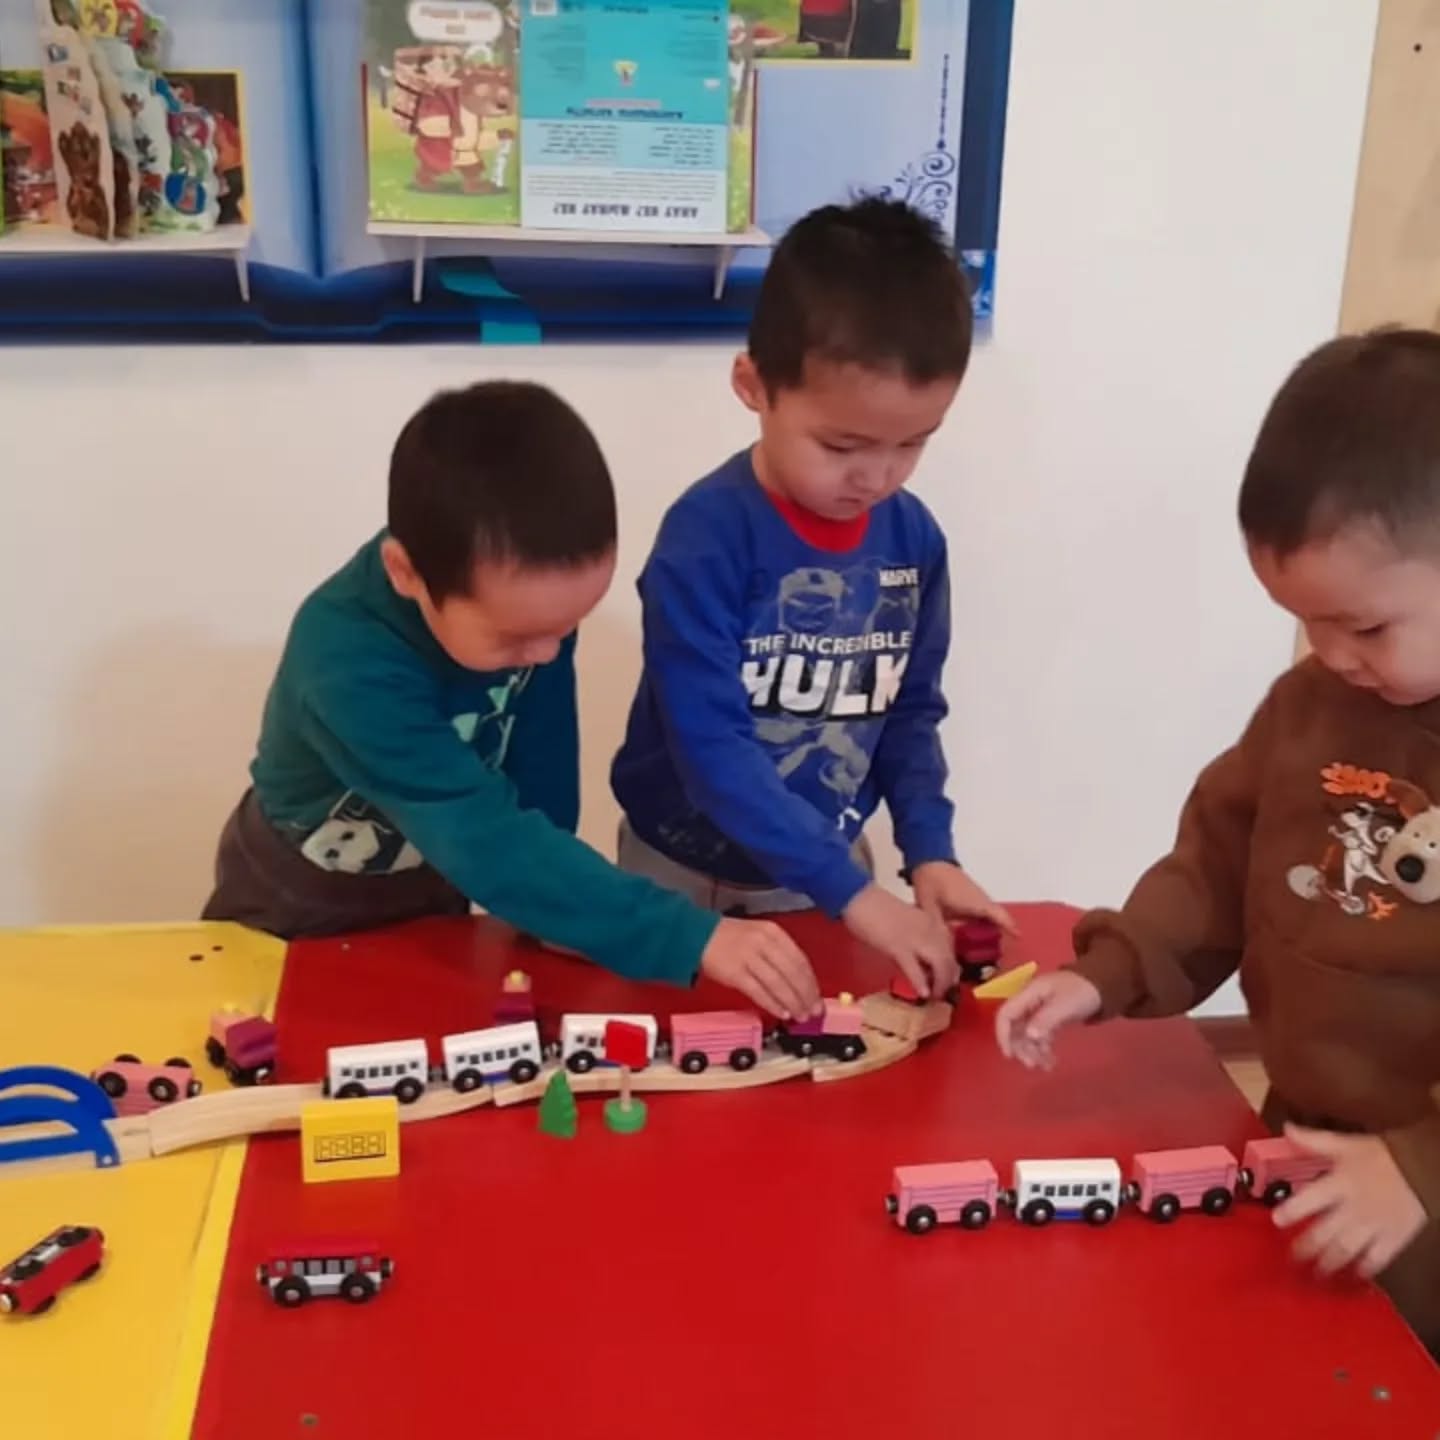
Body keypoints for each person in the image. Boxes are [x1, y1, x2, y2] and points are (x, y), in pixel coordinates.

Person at [995, 329, 1440, 1354]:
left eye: (1366, 628)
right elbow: (1216, 866)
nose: (1333, 655)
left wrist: (1420, 1169)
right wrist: (1111, 972)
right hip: (1305, 1135)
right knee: (1313, 1366)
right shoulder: (1308, 710)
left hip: (1423, 1172)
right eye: (1306, 623)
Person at [202, 381, 821, 1022]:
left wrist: (566, 911)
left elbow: (540, 772)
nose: (547, 653)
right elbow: (483, 834)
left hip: (435, 873)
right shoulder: (346, 662)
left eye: (566, 626)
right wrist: (687, 935)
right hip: (299, 899)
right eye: (517, 638)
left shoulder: (528, 615)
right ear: (406, 572)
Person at [611, 198, 1013, 1001]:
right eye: (842, 445)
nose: (878, 476)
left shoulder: (914, 543)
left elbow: (909, 714)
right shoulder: (706, 538)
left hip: (826, 876)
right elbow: (711, 747)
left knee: (827, 1053)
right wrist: (857, 896)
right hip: (679, 872)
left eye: (913, 443)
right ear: (753, 386)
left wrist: (930, 851)